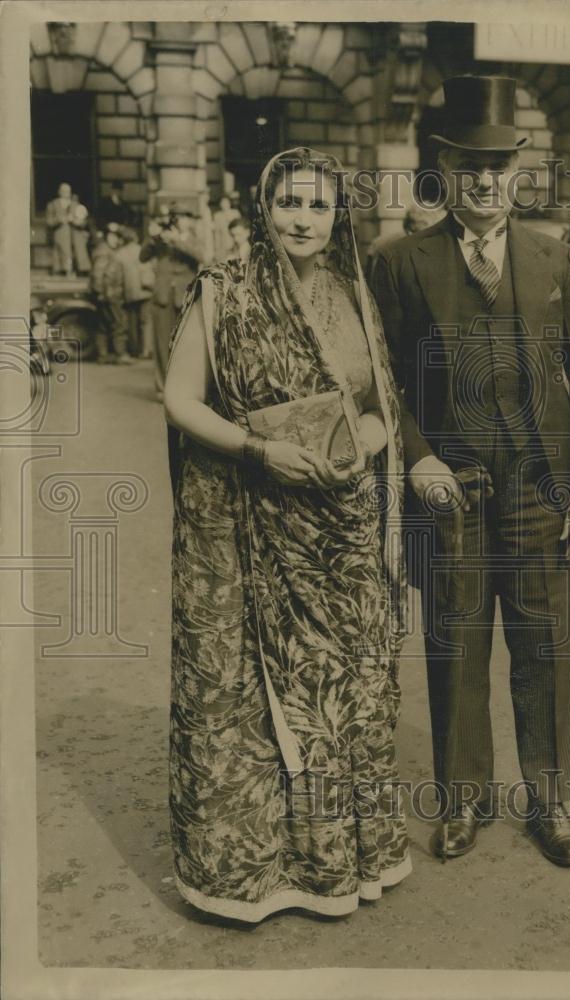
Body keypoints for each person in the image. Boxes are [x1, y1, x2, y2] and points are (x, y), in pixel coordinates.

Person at [163, 146, 410, 921]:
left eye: (319, 206)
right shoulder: (224, 290)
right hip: (251, 518)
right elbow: (180, 399)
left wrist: (365, 442)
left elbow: (379, 405)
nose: (303, 219)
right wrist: (260, 450)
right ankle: (259, 875)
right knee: (248, 698)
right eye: (289, 203)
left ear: (339, 218)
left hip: (340, 530)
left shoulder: (352, 296)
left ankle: (341, 860)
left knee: (348, 694)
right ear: (262, 209)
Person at [372, 75, 570, 867]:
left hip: (541, 491)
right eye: (469, 164)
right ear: (444, 169)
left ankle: (550, 804)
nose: (484, 180)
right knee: (457, 649)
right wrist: (417, 458)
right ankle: (462, 798)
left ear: (519, 172)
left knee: (545, 648)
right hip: (455, 495)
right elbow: (381, 382)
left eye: (498, 165)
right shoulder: (402, 263)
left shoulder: (556, 260)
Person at [140, 206, 205, 400]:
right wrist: (153, 238)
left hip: (184, 296)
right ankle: (162, 388)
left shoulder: (194, 238)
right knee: (161, 344)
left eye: (186, 216)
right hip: (163, 295)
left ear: (191, 221)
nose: (182, 220)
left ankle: (183, 388)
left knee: (185, 345)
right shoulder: (161, 237)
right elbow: (143, 256)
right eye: (179, 217)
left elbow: (201, 256)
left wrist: (176, 241)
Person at [90, 224, 134, 365]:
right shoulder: (105, 252)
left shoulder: (105, 250)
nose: (117, 240)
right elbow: (98, 274)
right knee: (119, 323)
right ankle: (121, 354)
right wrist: (101, 293)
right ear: (108, 236)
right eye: (114, 237)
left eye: (118, 237)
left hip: (106, 294)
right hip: (110, 294)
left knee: (102, 325)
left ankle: (103, 355)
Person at [116, 225, 154, 357]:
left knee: (131, 322)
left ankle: (134, 349)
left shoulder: (119, 254)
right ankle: (146, 349)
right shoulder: (141, 250)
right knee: (146, 322)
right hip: (145, 290)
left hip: (130, 292)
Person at [45, 182, 74, 275]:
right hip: (60, 233)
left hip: (75, 234)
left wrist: (74, 219)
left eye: (68, 191)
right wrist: (59, 220)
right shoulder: (53, 204)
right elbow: (49, 221)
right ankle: (64, 270)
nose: (66, 193)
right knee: (63, 232)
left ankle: (71, 270)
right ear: (59, 192)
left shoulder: (75, 204)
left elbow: (82, 218)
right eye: (64, 191)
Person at [211, 194, 241, 261]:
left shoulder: (235, 213)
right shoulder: (217, 216)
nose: (224, 205)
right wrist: (216, 249)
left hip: (235, 243)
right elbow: (217, 234)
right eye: (222, 203)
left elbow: (240, 229)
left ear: (229, 203)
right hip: (223, 244)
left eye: (226, 202)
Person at [69, 193, 92, 276]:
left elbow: (82, 223)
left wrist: (74, 221)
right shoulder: (69, 209)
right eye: (72, 200)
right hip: (70, 235)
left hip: (80, 233)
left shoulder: (81, 208)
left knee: (80, 250)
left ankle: (83, 270)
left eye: (75, 200)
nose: (74, 202)